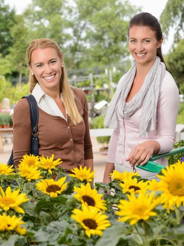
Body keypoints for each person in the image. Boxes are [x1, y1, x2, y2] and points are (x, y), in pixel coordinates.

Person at [103, 12, 179, 183]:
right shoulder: (125, 80)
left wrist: (152, 144)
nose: (139, 48)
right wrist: (107, 176)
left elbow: (168, 139)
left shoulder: (166, 84)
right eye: (133, 40)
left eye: (146, 41)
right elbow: (118, 131)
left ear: (159, 42)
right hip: (120, 176)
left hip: (148, 178)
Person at [13, 38, 93, 171]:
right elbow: (20, 161)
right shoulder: (26, 107)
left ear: (61, 61)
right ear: (32, 69)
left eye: (52, 62)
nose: (48, 70)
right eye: (39, 65)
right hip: (47, 189)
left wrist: (89, 186)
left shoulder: (79, 97)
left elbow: (87, 148)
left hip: (81, 189)